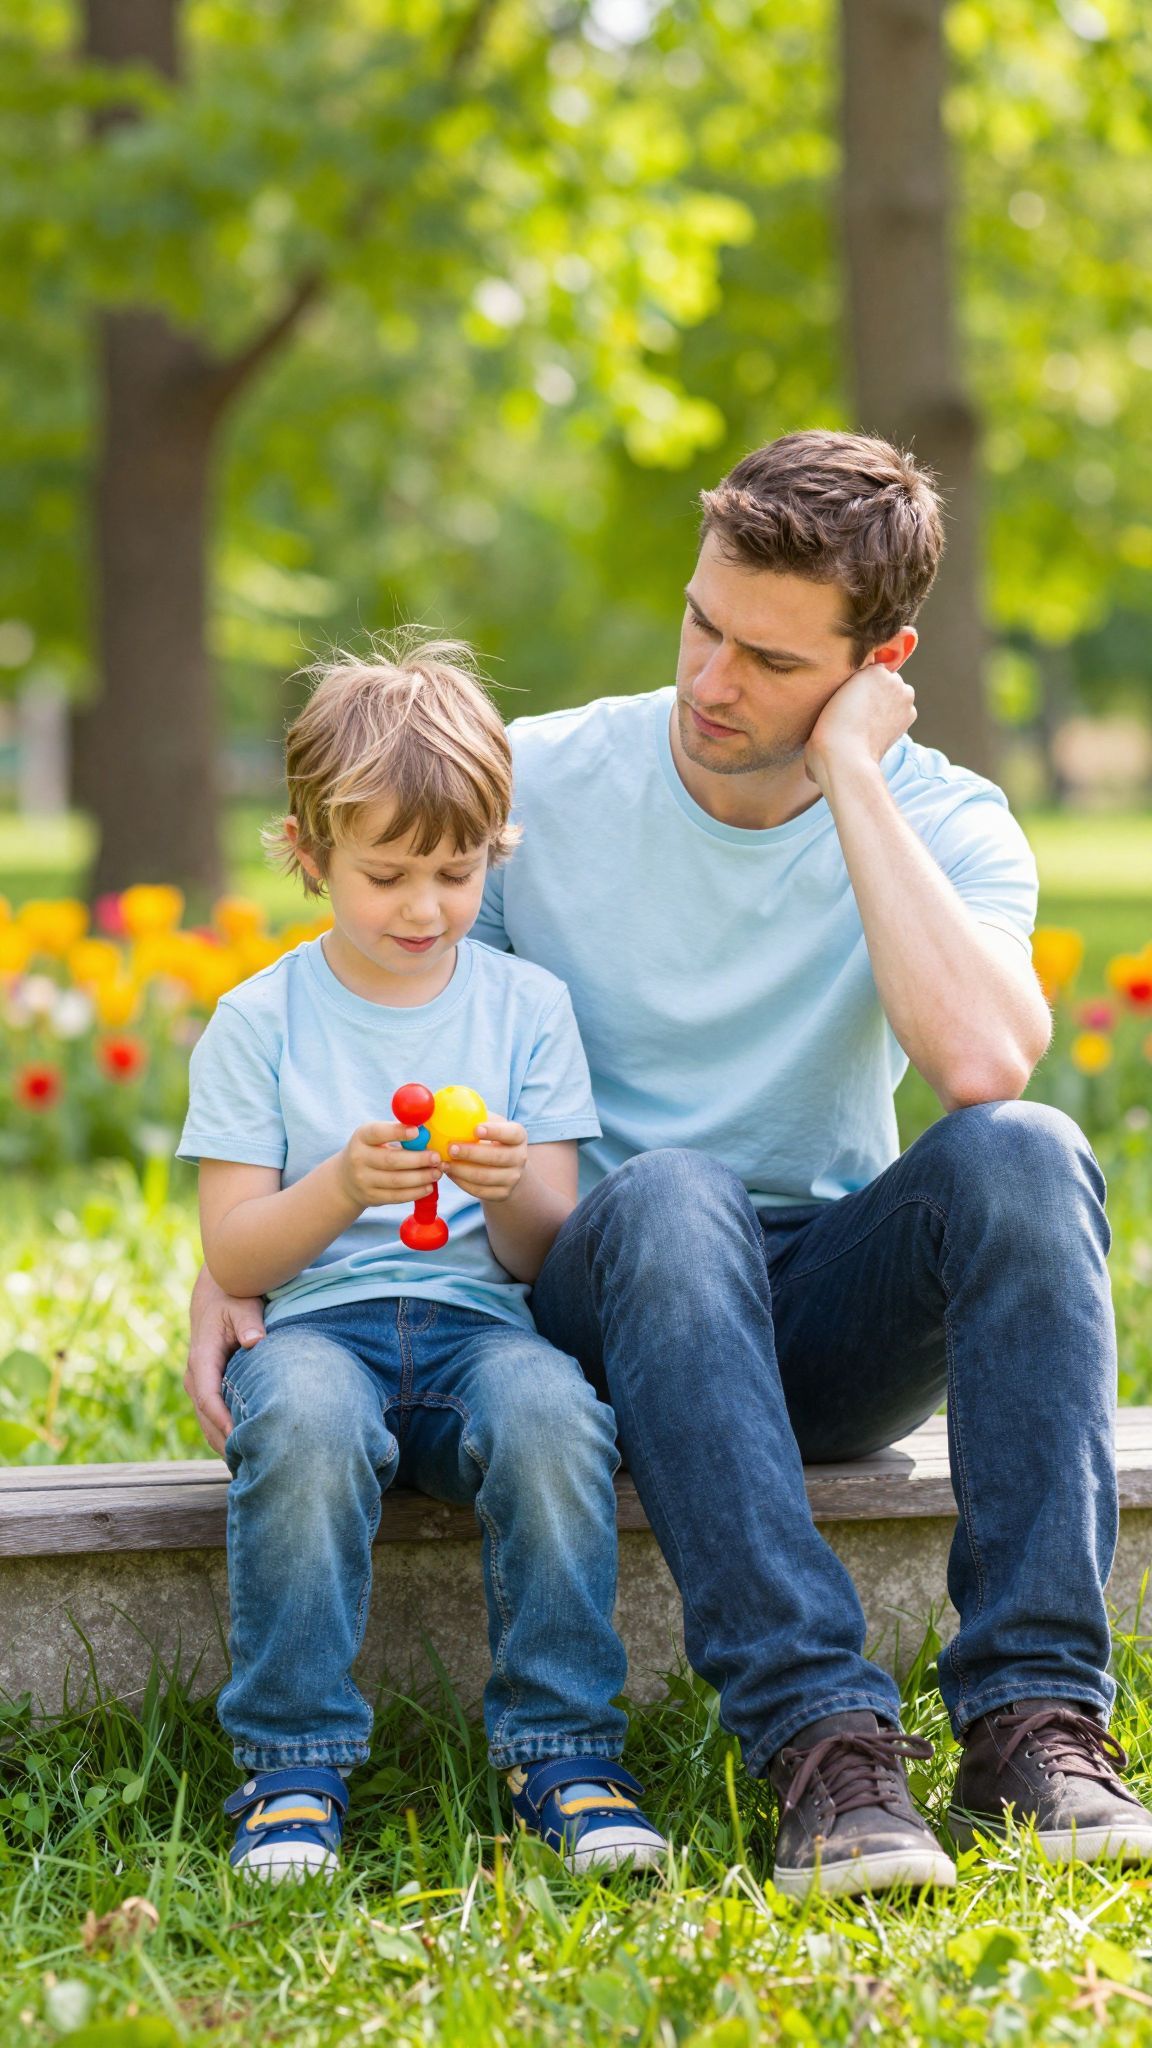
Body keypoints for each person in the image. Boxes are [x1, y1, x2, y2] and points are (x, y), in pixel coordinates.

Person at [187, 431, 1152, 1898]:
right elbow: (403, 1028)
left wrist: (848, 779)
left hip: (817, 1313)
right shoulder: (546, 786)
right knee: (676, 1190)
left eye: (772, 661)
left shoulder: (940, 817)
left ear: (877, 662)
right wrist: (249, 1262)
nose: (712, 683)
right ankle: (822, 1742)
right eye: (704, 624)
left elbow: (978, 1067)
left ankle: (1034, 1720)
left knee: (1026, 1152)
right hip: (605, 1282)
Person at [176, 634, 667, 1880]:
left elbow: (547, 1243)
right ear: (307, 853)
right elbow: (233, 1243)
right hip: (322, 1330)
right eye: (387, 873)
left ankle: (564, 1749)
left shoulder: (524, 1007)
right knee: (298, 1420)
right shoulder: (259, 1020)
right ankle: (291, 1765)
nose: (424, 908)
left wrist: (507, 1188)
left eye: (454, 872)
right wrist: (336, 1182)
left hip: (483, 1332)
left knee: (557, 1415)